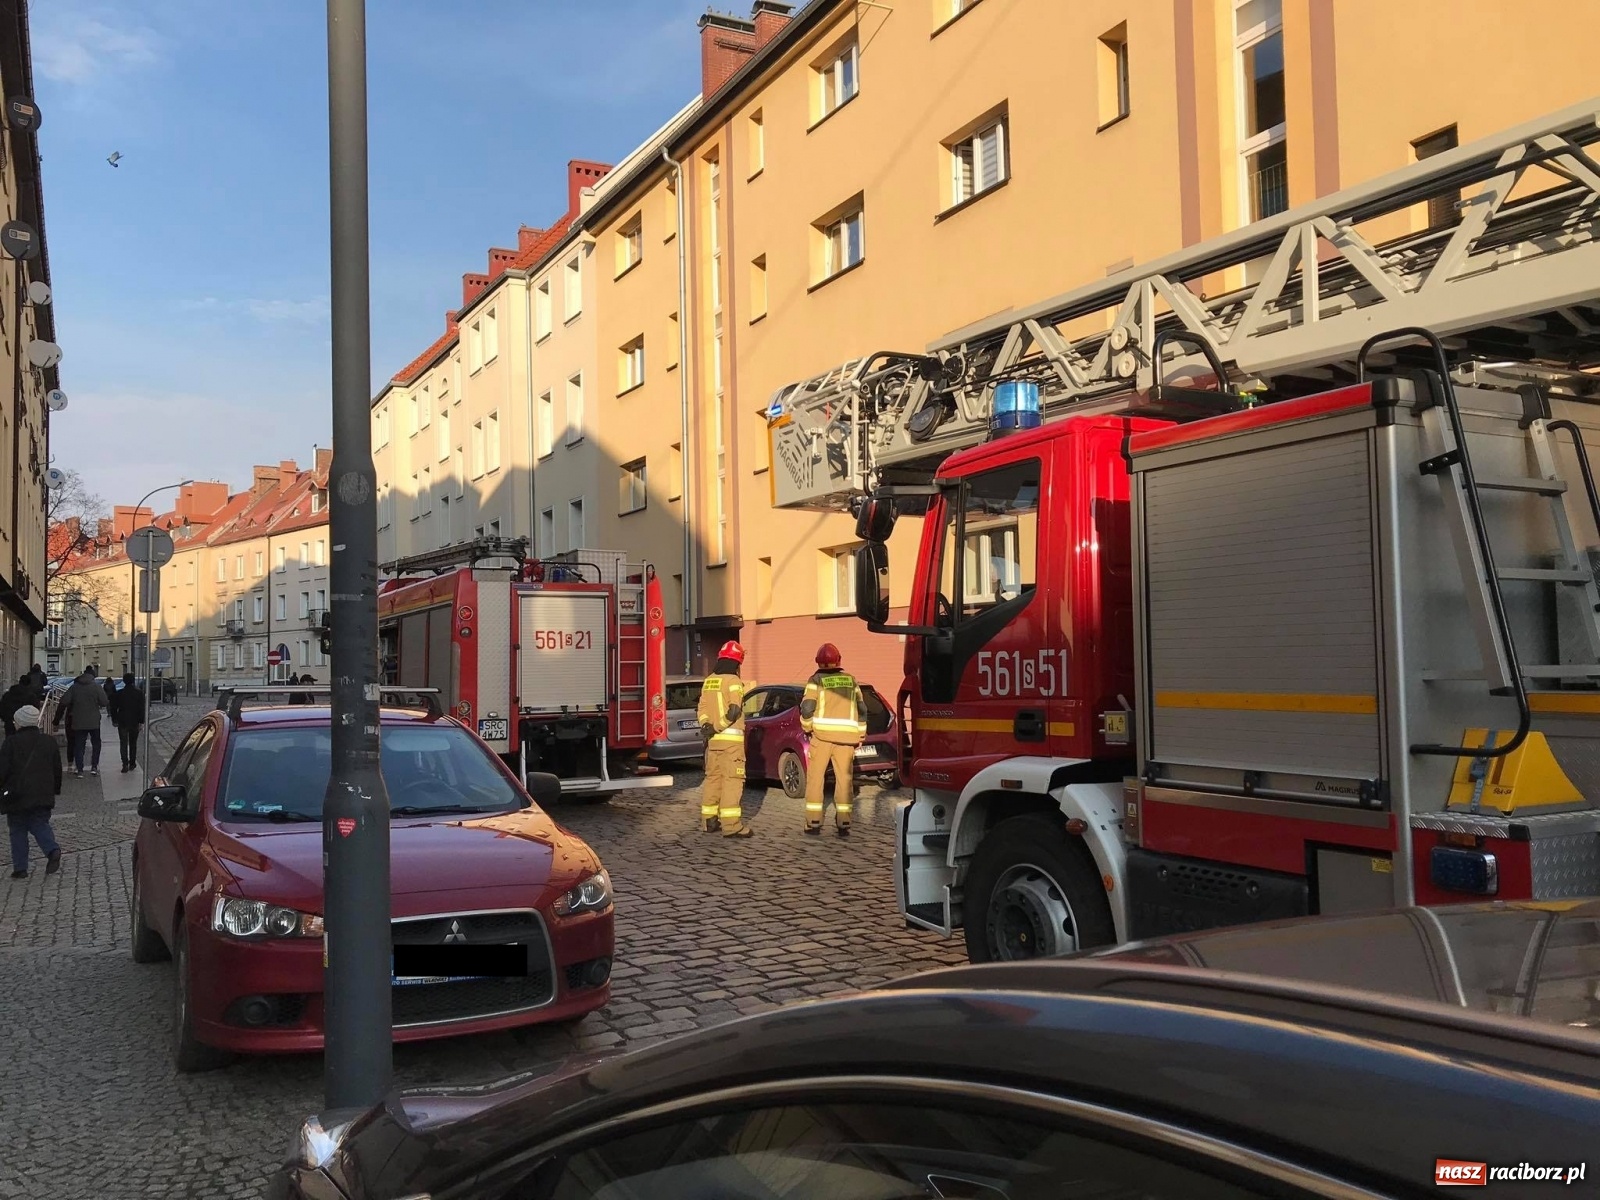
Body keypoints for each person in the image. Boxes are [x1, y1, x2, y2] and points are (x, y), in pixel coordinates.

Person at [799, 642, 867, 838]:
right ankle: (844, 822)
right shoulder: (851, 681)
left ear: (818, 662)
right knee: (844, 779)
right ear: (839, 660)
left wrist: (807, 726)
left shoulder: (816, 680)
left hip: (821, 737)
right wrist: (860, 734)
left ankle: (813, 822)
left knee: (815, 778)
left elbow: (806, 708)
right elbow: (862, 710)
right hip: (846, 739)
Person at [695, 640, 753, 838]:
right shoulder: (734, 681)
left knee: (712, 779)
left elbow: (701, 709)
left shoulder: (709, 680)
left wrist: (707, 727)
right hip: (731, 744)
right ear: (737, 662)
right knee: (732, 781)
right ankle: (732, 825)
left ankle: (709, 821)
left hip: (713, 742)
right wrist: (718, 726)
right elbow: (734, 710)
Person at [2, 703, 63, 879]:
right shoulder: (48, 742)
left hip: (16, 793)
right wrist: (55, 789)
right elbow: (56, 768)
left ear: (20, 722)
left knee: (17, 829)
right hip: (43, 792)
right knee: (39, 823)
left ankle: (20, 868)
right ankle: (52, 850)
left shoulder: (11, 742)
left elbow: (3, 769)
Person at [54, 666, 108, 777]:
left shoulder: (74, 688)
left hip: (78, 721)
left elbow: (64, 701)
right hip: (94, 721)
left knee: (79, 745)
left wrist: (57, 720)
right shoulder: (96, 687)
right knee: (96, 744)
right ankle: (94, 766)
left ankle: (80, 769)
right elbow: (104, 702)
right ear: (93, 676)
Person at [108, 672, 145, 774]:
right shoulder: (139, 693)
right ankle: (132, 763)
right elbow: (141, 708)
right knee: (133, 743)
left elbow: (114, 707)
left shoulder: (120, 693)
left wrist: (114, 720)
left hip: (122, 721)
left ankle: (124, 763)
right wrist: (141, 721)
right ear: (133, 681)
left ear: (124, 681)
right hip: (134, 721)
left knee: (123, 743)